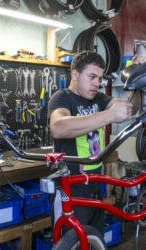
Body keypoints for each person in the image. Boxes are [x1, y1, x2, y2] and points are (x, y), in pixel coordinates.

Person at [48, 51, 133, 236]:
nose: (97, 83)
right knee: (71, 241)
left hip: (95, 185)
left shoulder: (99, 99)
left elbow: (125, 107)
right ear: (75, 74)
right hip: (71, 189)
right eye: (92, 77)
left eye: (100, 79)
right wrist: (110, 115)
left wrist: (139, 77)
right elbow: (58, 127)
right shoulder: (62, 98)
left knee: (95, 237)